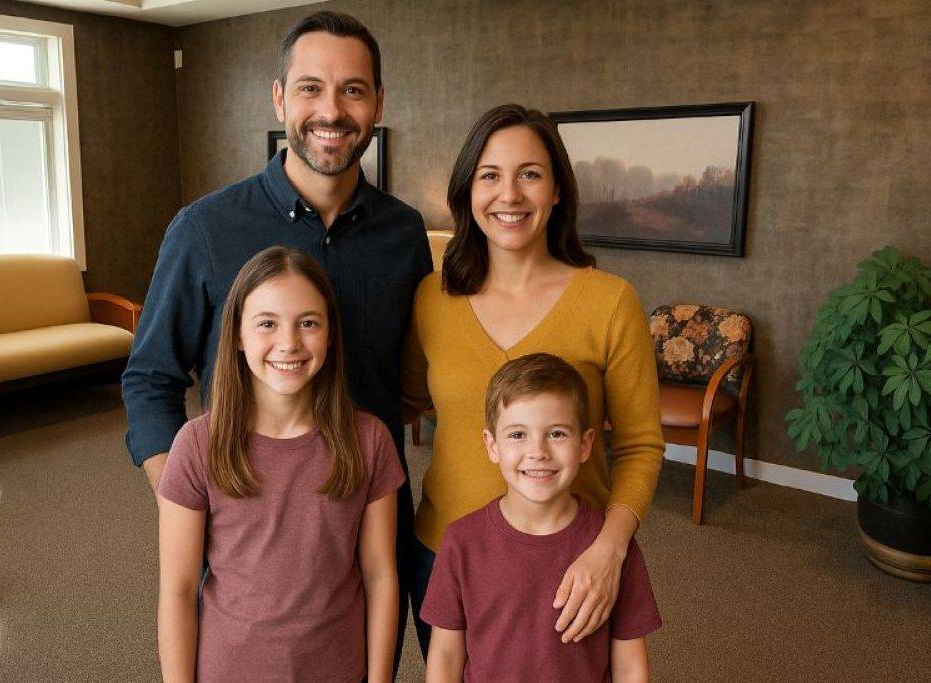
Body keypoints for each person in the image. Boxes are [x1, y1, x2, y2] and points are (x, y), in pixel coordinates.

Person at [123, 10, 431, 666]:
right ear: (279, 97)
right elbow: (149, 379)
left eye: (353, 89)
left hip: (368, 519)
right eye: (311, 87)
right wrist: (189, 494)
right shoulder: (204, 229)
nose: (332, 109)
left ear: (378, 102)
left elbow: (409, 376)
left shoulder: (405, 235)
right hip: (247, 543)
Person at [402, 104, 665, 656]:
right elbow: (402, 402)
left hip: (573, 566)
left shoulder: (610, 302)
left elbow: (641, 446)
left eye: (530, 174)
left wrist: (610, 550)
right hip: (447, 556)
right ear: (467, 193)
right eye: (490, 175)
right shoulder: (432, 300)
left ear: (557, 192)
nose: (510, 195)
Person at [157, 247, 402, 682]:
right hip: (229, 670)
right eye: (267, 323)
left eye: (308, 323)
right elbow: (177, 591)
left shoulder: (369, 440)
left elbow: (380, 576)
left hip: (338, 670)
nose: (289, 343)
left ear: (330, 334)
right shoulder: (196, 445)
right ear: (236, 334)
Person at [421, 353, 661, 682]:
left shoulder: (612, 550)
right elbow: (445, 656)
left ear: (585, 445)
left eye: (557, 434)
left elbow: (630, 665)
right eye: (518, 434)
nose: (538, 452)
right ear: (492, 446)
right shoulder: (461, 542)